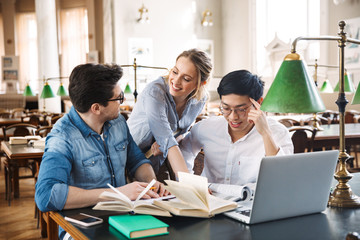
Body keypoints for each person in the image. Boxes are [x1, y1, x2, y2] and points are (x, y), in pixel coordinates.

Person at [35, 63, 168, 240]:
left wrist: (151, 183)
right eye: (118, 98)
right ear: (96, 108)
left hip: (126, 217)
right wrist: (118, 194)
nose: (123, 101)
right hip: (80, 227)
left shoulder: (119, 122)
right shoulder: (62, 137)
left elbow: (137, 160)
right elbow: (45, 196)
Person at [180, 70, 294, 186]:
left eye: (241, 109)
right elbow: (184, 151)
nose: (233, 117)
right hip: (210, 201)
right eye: (226, 108)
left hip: (250, 203)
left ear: (258, 103)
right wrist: (191, 183)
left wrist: (265, 133)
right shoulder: (206, 128)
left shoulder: (277, 132)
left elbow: (283, 179)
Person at [127, 48, 213, 179]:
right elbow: (167, 140)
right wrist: (190, 186)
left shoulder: (199, 100)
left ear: (200, 84)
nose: (176, 81)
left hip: (157, 161)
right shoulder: (155, 93)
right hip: (128, 161)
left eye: (186, 78)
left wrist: (168, 141)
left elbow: (179, 134)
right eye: (175, 72)